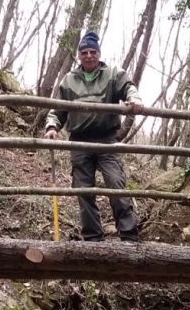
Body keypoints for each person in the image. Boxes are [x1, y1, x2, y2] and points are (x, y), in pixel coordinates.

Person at [44, 31, 143, 242]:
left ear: (99, 54)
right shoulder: (69, 80)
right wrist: (52, 126)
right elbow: (57, 109)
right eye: (84, 52)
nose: (89, 56)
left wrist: (133, 98)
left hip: (107, 138)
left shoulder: (112, 73)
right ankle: (93, 237)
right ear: (79, 55)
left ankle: (128, 236)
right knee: (82, 189)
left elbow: (128, 87)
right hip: (80, 140)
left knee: (116, 184)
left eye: (93, 52)